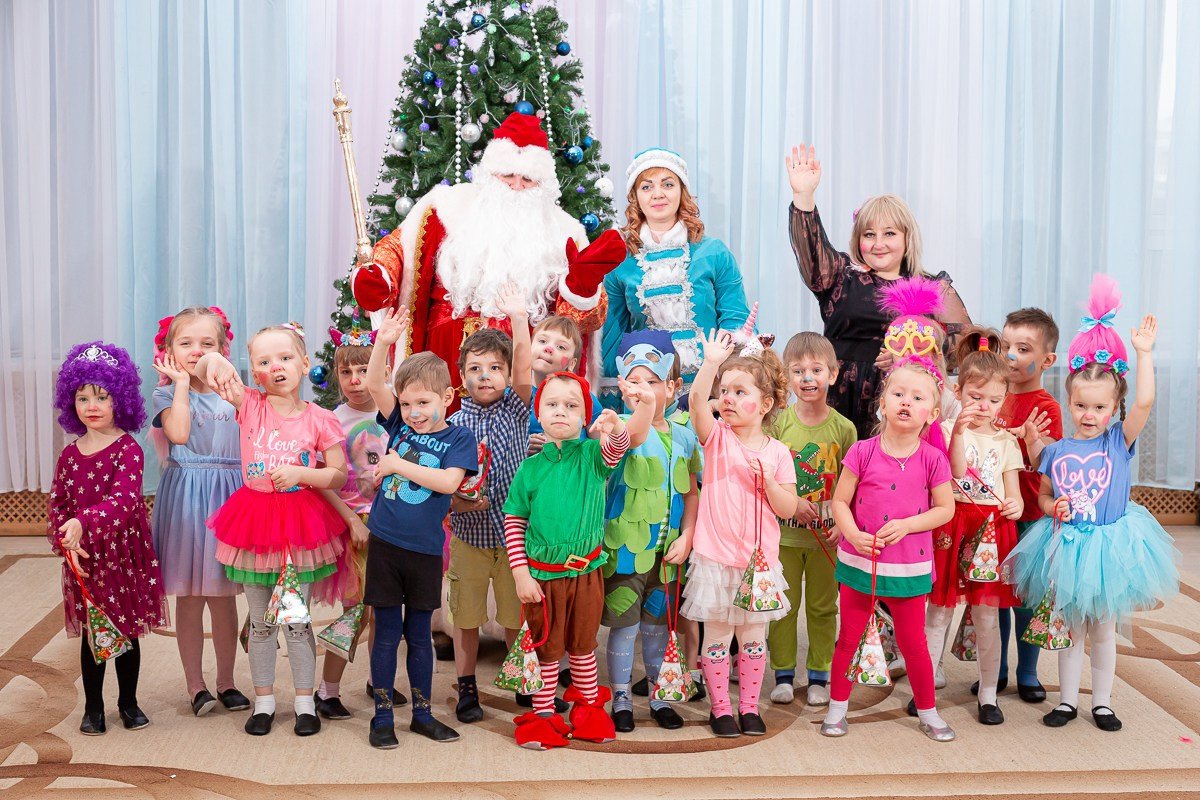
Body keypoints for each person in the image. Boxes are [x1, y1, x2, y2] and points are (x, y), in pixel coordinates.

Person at [351, 112, 626, 402]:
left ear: (543, 183)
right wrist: (379, 277)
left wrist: (581, 288)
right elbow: (397, 250)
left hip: (521, 371)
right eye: (507, 175)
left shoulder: (565, 233)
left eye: (528, 178)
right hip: (443, 362)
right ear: (490, 174)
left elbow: (578, 325)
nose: (516, 185)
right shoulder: (445, 207)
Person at [1006, 275, 1179, 732]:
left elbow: (1144, 402)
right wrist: (1052, 508)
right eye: (1081, 405)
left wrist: (1144, 353)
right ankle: (1067, 701)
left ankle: (1101, 703)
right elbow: (1044, 495)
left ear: (1114, 407)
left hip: (1108, 550)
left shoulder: (1118, 442)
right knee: (1068, 629)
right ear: (1070, 401)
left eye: (1100, 408)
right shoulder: (1057, 451)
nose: (1089, 415)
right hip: (1066, 546)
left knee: (1102, 629)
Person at [199, 324, 348, 737]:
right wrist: (215, 360)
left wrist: (303, 473)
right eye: (263, 361)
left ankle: (304, 703)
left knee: (297, 621)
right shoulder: (250, 404)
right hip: (254, 523)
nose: (276, 367)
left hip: (299, 526)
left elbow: (337, 474)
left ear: (305, 363)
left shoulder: (320, 418)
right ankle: (263, 701)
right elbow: (206, 367)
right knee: (262, 622)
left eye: (284, 357)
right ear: (254, 372)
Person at [784, 144, 971, 439]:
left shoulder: (933, 288)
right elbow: (812, 253)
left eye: (889, 234)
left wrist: (910, 354)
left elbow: (964, 351)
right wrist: (803, 196)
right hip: (834, 403)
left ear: (907, 238)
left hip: (900, 405)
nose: (878, 243)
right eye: (869, 234)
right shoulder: (841, 276)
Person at [503, 373, 648, 750]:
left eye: (571, 406)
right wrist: (520, 573)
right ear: (538, 413)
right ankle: (543, 715)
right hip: (543, 578)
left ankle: (587, 710)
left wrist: (615, 425)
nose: (560, 412)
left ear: (585, 417)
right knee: (546, 650)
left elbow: (617, 447)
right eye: (551, 404)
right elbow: (514, 520)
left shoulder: (592, 457)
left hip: (586, 574)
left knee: (583, 647)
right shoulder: (529, 469)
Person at [361, 308, 479, 747]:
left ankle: (423, 714)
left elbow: (449, 483)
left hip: (426, 551)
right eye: (407, 404)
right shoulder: (398, 423)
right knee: (386, 633)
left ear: (447, 397)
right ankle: (382, 716)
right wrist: (383, 342)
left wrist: (397, 465)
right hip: (386, 544)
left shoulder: (458, 439)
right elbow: (375, 385)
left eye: (423, 403)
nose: (413, 413)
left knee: (419, 635)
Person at [822, 355, 956, 741]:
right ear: (882, 403)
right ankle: (837, 709)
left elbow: (945, 509)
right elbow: (840, 501)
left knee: (914, 643)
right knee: (849, 637)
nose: (906, 402)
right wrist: (851, 534)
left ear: (932, 414)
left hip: (908, 565)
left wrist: (909, 525)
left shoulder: (933, 458)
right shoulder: (862, 451)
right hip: (860, 561)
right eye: (898, 394)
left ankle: (928, 712)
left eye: (917, 397)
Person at [682, 330, 799, 739]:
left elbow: (788, 508)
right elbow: (696, 402)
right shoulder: (717, 438)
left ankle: (749, 706)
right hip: (716, 559)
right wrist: (710, 364)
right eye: (725, 391)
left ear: (765, 404)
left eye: (739, 391)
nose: (727, 399)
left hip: (759, 565)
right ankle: (720, 709)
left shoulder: (778, 452)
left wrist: (769, 483)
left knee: (752, 639)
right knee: (717, 637)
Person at [49, 341, 169, 735]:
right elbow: (57, 504)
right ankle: (94, 707)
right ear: (71, 403)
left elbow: (123, 501)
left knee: (127, 631)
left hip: (122, 556)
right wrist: (66, 540)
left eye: (102, 396)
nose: (92, 405)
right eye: (83, 398)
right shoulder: (70, 455)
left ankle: (128, 703)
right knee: (92, 633)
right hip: (86, 558)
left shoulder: (128, 450)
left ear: (121, 399)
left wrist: (82, 521)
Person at [921, 328, 1032, 726]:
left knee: (986, 616)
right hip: (951, 524)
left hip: (990, 531)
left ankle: (988, 694)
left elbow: (1015, 497)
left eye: (994, 400)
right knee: (938, 611)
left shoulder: (1007, 442)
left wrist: (1015, 505)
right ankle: (924, 690)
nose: (984, 406)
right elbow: (953, 471)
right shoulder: (946, 431)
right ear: (958, 391)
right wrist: (958, 431)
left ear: (1005, 398)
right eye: (975, 397)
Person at [149, 306, 250, 718]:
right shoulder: (165, 395)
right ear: (169, 351)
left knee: (223, 597)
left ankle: (226, 681)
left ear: (223, 349)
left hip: (229, 497)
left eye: (207, 343)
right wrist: (179, 386)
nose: (196, 350)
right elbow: (179, 433)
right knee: (190, 597)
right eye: (185, 343)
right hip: (187, 499)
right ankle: (196, 685)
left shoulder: (237, 391)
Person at [601, 331, 701, 732]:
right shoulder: (620, 429)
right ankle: (621, 698)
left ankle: (660, 696)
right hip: (625, 552)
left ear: (673, 388)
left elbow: (691, 492)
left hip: (667, 556)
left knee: (658, 629)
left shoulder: (685, 436)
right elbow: (629, 440)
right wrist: (637, 407)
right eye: (634, 381)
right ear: (621, 386)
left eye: (652, 382)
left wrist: (688, 535)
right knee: (625, 628)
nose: (642, 389)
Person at [599, 148, 752, 407]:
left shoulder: (713, 252)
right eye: (647, 187)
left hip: (711, 390)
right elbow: (613, 335)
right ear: (635, 197)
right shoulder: (620, 262)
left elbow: (735, 318)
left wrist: (727, 381)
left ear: (682, 191)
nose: (658, 194)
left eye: (667, 184)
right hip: (649, 397)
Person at [311, 322, 407, 720]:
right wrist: (352, 520)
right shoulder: (331, 420)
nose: (355, 380)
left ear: (383, 370)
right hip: (353, 526)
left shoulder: (398, 414)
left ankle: (378, 680)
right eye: (346, 371)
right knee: (356, 611)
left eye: (364, 370)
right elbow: (320, 480)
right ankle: (327, 690)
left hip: (393, 523)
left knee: (388, 610)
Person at [447, 286, 533, 723]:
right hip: (469, 537)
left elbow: (525, 367)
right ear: (461, 375)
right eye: (475, 369)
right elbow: (443, 484)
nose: (485, 376)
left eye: (495, 368)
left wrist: (518, 317)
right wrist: (457, 505)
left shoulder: (516, 410)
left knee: (516, 616)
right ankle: (466, 687)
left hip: (514, 538)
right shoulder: (452, 424)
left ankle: (521, 679)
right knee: (466, 617)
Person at [766, 332, 856, 707]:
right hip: (784, 537)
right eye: (798, 370)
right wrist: (791, 502)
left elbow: (851, 487)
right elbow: (766, 476)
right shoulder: (777, 425)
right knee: (782, 607)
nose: (807, 378)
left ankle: (819, 674)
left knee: (823, 608)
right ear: (787, 377)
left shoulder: (845, 429)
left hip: (826, 540)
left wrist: (841, 525)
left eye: (816, 370)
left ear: (832, 374)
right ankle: (783, 674)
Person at [993, 308, 1062, 702]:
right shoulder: (993, 394)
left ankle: (1028, 671)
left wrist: (1029, 437)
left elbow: (1049, 459)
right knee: (995, 597)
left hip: (1031, 516)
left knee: (1026, 597)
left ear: (1047, 360)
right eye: (1005, 346)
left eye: (1022, 348)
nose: (1010, 356)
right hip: (994, 512)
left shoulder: (1046, 406)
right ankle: (996, 669)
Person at [525, 314, 602, 451]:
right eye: (542, 341)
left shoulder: (582, 396)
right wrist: (521, 445)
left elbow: (602, 446)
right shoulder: (514, 395)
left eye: (561, 347)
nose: (548, 348)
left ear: (572, 364)